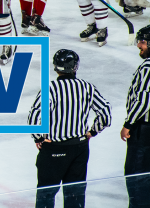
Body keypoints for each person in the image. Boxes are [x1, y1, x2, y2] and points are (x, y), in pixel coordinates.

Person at [27, 49, 111, 208]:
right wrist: (92, 132)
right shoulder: (87, 87)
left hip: (54, 148)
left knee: (47, 193)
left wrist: (39, 137)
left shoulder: (50, 88)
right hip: (79, 148)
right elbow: (105, 112)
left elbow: (34, 117)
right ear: (75, 67)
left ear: (55, 67)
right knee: (75, 194)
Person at [122, 25, 150, 207]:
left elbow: (144, 100)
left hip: (144, 131)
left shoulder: (148, 67)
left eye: (142, 42)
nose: (138, 45)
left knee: (136, 174)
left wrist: (128, 124)